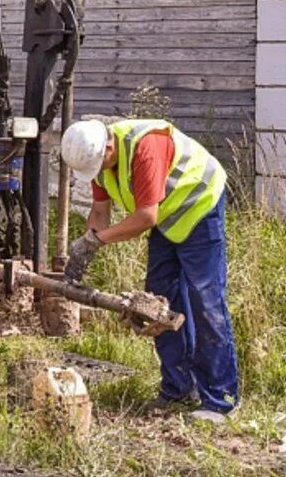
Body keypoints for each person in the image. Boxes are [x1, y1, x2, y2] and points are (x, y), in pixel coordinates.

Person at [60, 118, 239, 422]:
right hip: (169, 216)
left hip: (200, 204)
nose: (99, 171)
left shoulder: (146, 147)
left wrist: (96, 241)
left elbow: (145, 216)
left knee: (204, 299)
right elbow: (100, 214)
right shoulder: (99, 162)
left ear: (108, 146)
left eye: (99, 163)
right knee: (158, 303)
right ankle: (179, 389)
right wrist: (86, 246)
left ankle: (220, 399)